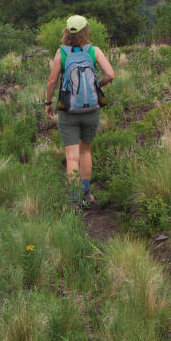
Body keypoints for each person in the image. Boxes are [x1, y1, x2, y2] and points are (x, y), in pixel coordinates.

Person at [43, 14, 115, 206]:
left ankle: (74, 200)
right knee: (85, 151)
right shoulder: (94, 51)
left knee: (71, 155)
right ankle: (86, 194)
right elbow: (110, 74)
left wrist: (47, 102)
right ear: (86, 30)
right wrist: (96, 87)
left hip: (68, 109)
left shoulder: (62, 53)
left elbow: (51, 81)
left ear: (66, 31)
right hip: (91, 109)